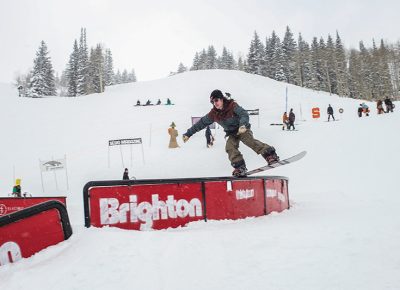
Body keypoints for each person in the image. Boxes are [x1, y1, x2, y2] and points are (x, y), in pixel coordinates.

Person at [182, 89, 279, 177]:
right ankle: (240, 167)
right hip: (231, 133)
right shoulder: (213, 114)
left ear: (221, 99)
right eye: (212, 102)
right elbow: (201, 123)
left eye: (216, 100)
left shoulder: (232, 106)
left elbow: (243, 114)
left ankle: (270, 154)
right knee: (229, 147)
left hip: (242, 129)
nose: (215, 103)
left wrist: (242, 125)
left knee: (248, 140)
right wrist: (188, 134)